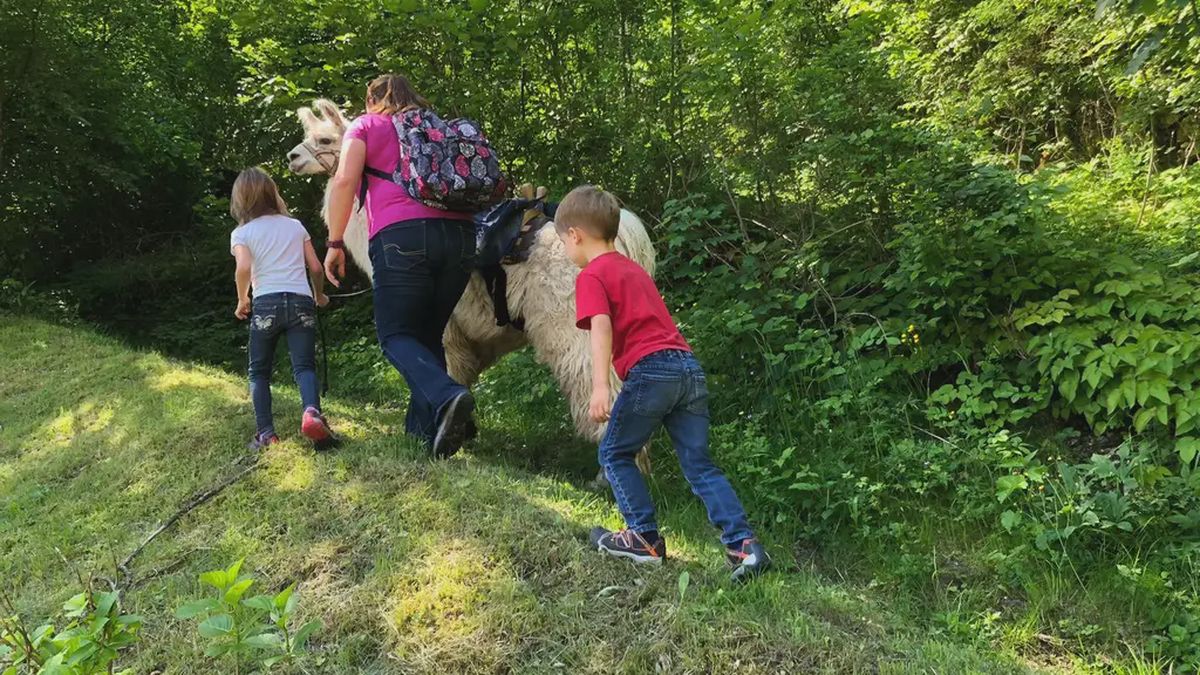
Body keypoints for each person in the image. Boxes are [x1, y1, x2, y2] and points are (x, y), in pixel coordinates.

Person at [556, 185, 771, 583]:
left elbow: (600, 328)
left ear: (575, 235)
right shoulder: (632, 269)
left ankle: (643, 538)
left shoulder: (591, 275)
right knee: (699, 464)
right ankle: (745, 547)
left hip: (651, 371)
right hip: (687, 368)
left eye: (563, 243)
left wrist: (600, 386)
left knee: (615, 453)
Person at [322, 73, 477, 457]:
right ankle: (424, 440)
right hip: (461, 239)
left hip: (401, 237)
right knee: (427, 337)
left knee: (395, 336)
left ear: (373, 100)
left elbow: (344, 181)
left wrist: (335, 241)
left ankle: (448, 394)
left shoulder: (367, 124)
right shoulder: (439, 128)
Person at [229, 167, 335, 450]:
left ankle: (266, 434)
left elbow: (243, 267)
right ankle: (313, 414)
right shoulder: (295, 225)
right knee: (304, 366)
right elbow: (315, 266)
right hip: (301, 302)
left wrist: (242, 299)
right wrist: (319, 295)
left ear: (241, 199)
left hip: (266, 304)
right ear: (271, 193)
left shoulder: (242, 233)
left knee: (259, 372)